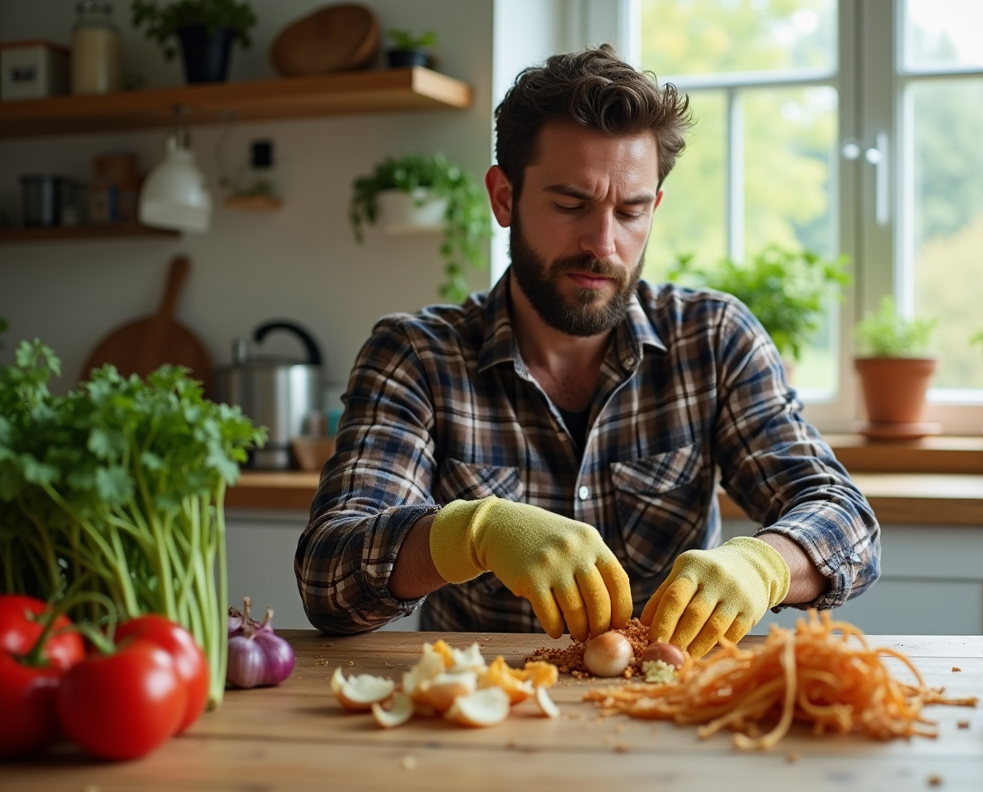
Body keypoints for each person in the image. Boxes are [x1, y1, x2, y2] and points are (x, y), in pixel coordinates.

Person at [296, 44, 879, 657]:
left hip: (671, 711)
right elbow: (326, 579)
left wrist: (766, 564)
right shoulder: (417, 356)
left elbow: (847, 522)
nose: (603, 244)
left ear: (654, 207)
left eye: (630, 211)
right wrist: (470, 533)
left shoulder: (714, 339)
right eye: (571, 205)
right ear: (504, 197)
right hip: (492, 712)